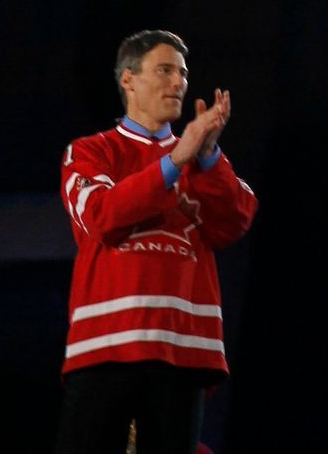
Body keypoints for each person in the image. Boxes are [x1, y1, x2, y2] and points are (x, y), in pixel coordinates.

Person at [56, 29, 258, 454]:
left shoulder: (200, 159)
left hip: (182, 348)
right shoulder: (92, 150)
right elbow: (101, 217)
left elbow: (236, 219)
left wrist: (209, 155)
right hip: (108, 343)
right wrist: (174, 161)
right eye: (165, 70)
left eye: (183, 73)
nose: (179, 82)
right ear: (128, 80)